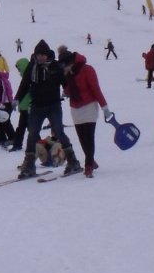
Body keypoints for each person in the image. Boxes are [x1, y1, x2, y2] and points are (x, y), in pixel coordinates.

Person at [14, 41, 81, 177]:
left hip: (53, 105)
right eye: (39, 55)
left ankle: (73, 161)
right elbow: (25, 83)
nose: (41, 58)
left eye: (43, 55)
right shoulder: (32, 66)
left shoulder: (55, 66)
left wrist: (68, 92)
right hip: (37, 106)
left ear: (48, 54)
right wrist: (17, 99)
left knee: (59, 132)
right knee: (32, 133)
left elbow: (65, 81)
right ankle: (29, 165)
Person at [60, 47, 109, 176]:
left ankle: (88, 165)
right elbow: (69, 90)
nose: (64, 69)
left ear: (71, 62)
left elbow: (96, 89)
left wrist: (105, 108)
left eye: (65, 66)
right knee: (82, 138)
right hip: (75, 109)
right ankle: (91, 160)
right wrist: (65, 92)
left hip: (89, 107)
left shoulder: (87, 69)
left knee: (88, 137)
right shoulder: (68, 74)